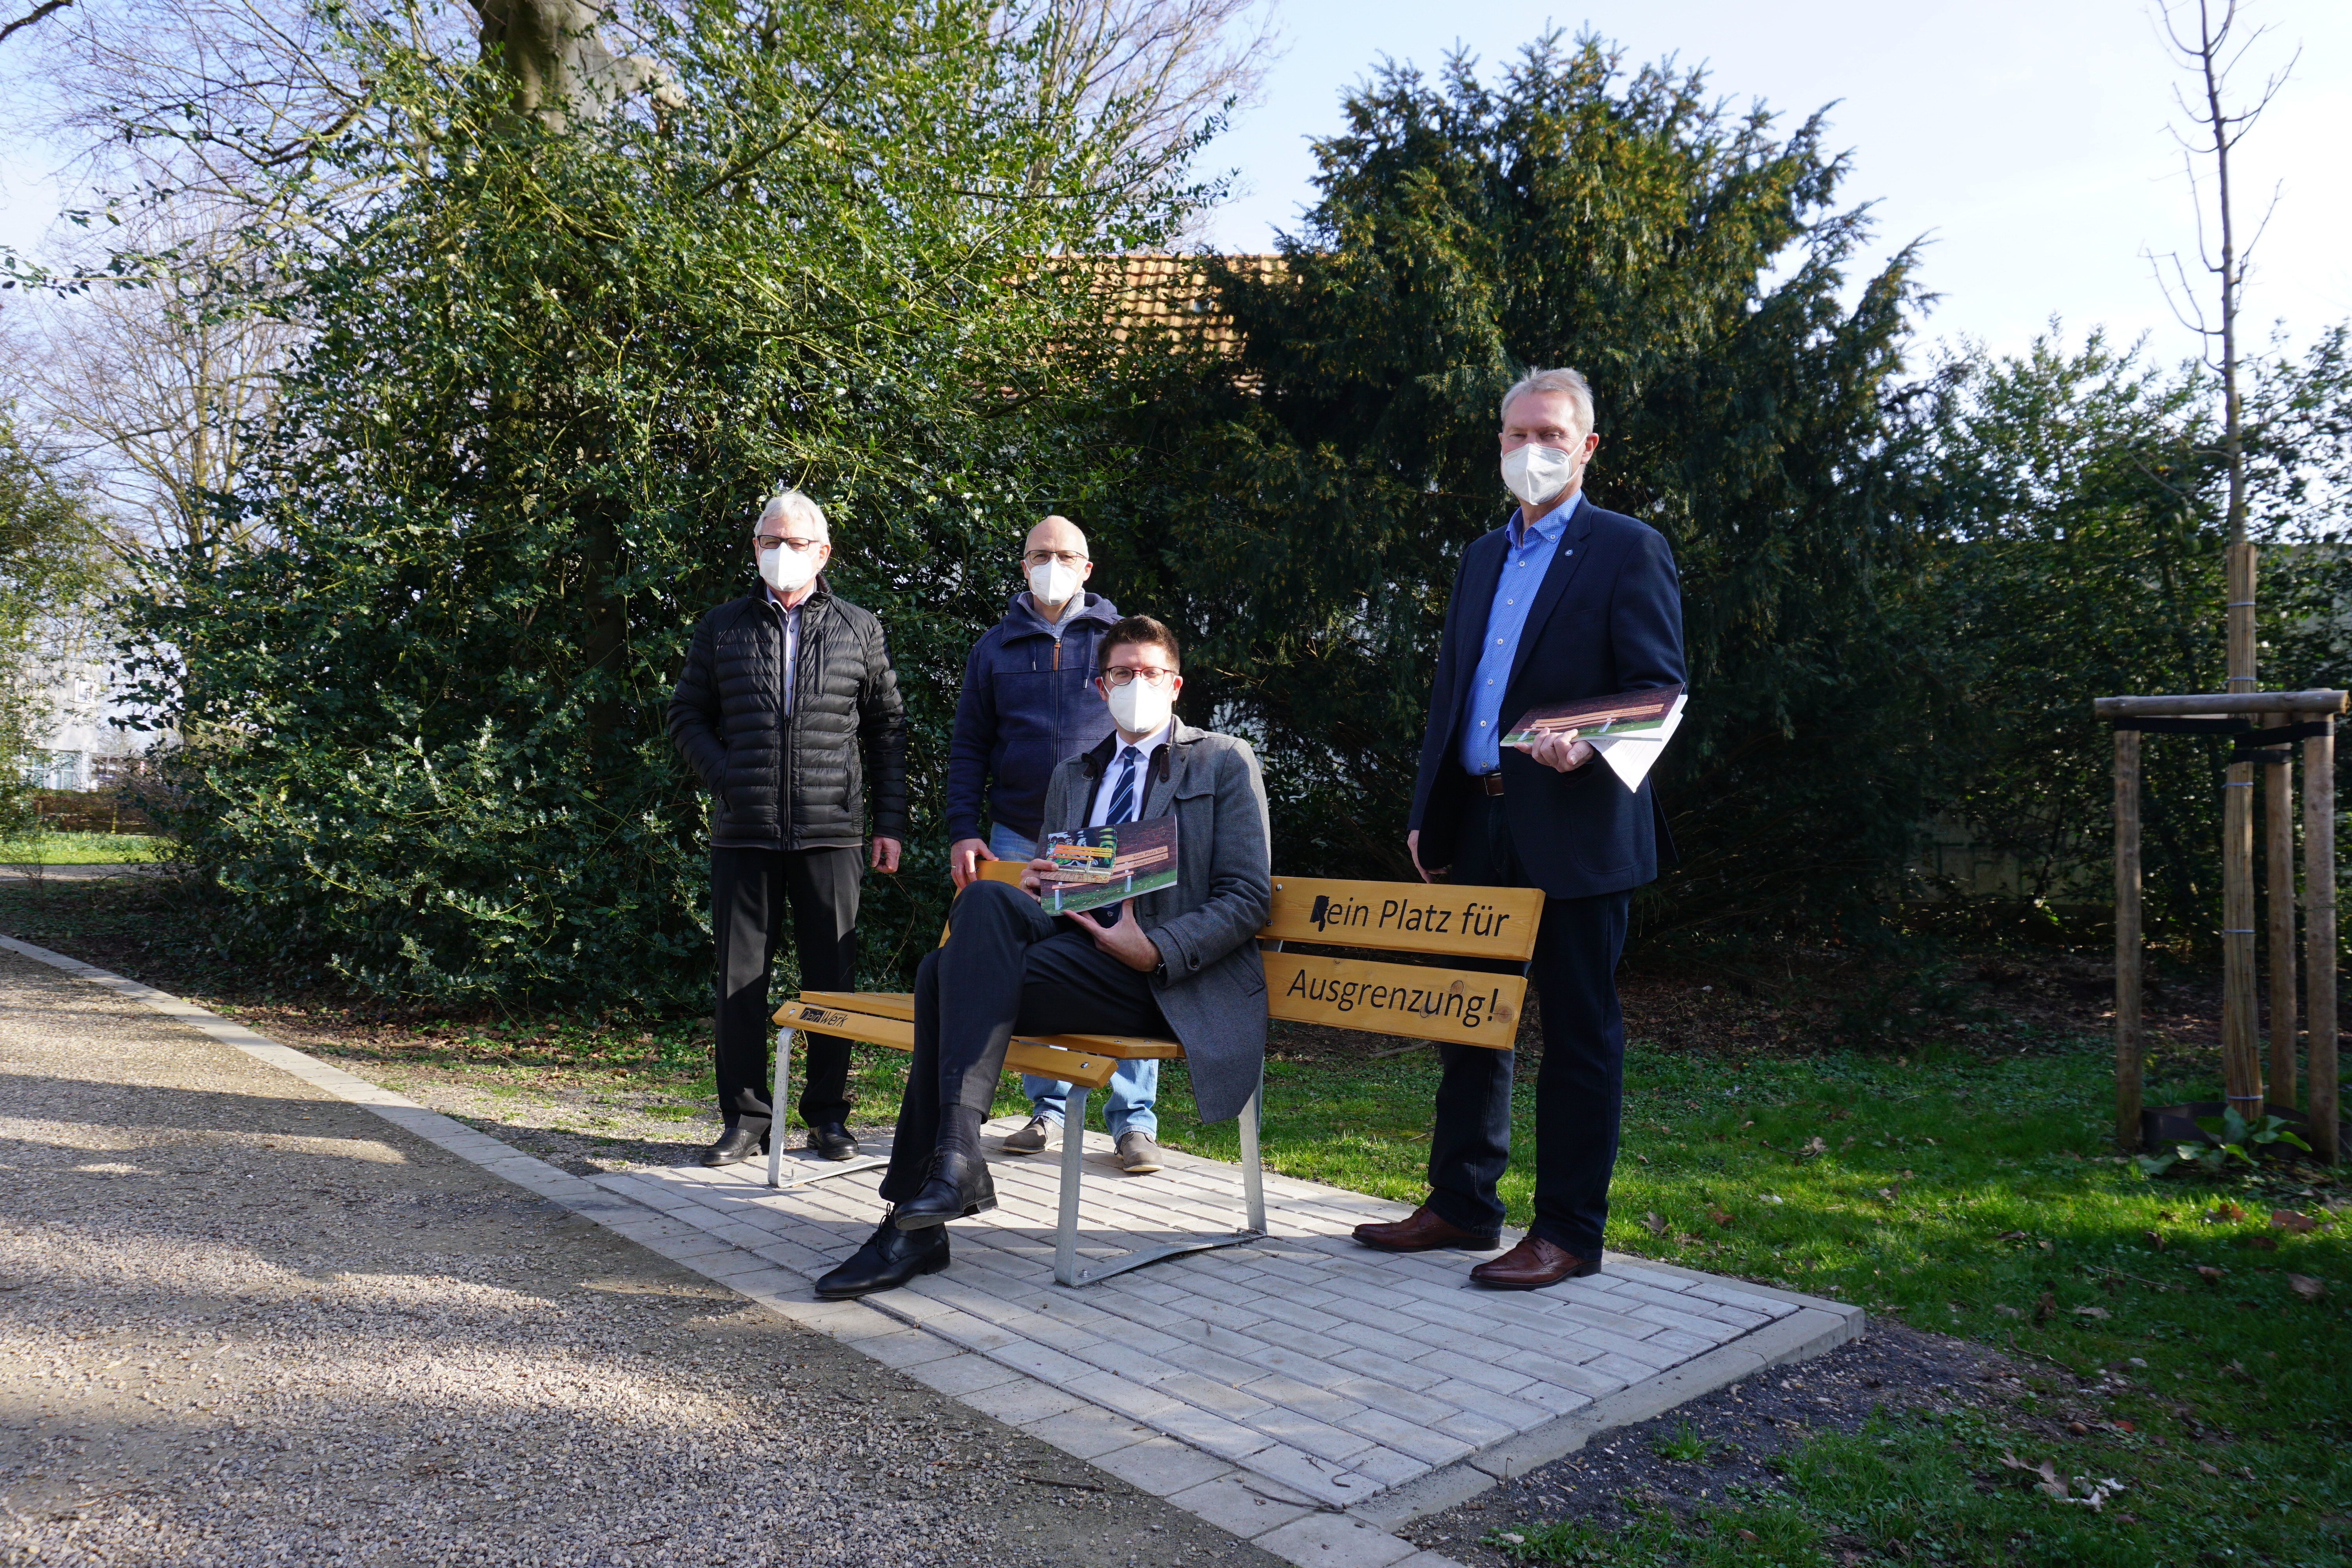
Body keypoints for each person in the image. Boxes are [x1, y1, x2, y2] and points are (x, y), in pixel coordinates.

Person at [813, 616, 1271, 1299]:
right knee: (984, 905)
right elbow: (1069, 893)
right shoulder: (1074, 774)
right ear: (1101, 686)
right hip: (1080, 957)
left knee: (942, 976)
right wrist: (1042, 886)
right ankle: (949, 1170)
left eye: (1151, 674)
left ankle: (922, 1213)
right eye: (1123, 673)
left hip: (1164, 981)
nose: (1137, 685)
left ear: (1175, 685)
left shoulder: (1224, 761)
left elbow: (1248, 897)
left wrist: (1155, 948)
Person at [1356, 367, 1686, 1290]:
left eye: (1551, 434)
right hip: (1480, 819)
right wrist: (1427, 813)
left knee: (1578, 1033)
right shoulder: (1480, 557)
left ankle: (1569, 1230)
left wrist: (1592, 743)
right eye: (1517, 434)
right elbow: (1453, 693)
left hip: (1577, 828)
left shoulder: (1628, 548)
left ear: (1588, 447)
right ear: (1498, 443)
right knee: (1471, 1018)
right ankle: (1462, 1202)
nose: (1531, 449)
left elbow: (1658, 687)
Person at [667, 489, 907, 1169]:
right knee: (739, 983)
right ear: (755, 548)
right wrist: (728, 777)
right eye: (770, 541)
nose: (781, 553)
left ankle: (828, 1117)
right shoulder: (722, 627)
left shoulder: (860, 628)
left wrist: (890, 822)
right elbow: (686, 715)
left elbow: (887, 730)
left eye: (795, 543)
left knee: (833, 984)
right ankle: (746, 1121)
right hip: (744, 832)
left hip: (834, 832)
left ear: (822, 552)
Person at [944, 515, 1167, 1174]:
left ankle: (1134, 1121)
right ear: (1023, 565)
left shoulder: (1119, 640)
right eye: (1040, 555)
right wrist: (962, 827)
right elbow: (969, 745)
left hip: (1107, 831)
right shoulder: (993, 648)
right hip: (1019, 831)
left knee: (1125, 952)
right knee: (1027, 962)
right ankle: (1047, 1108)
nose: (1053, 565)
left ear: (1087, 568)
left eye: (1066, 556)